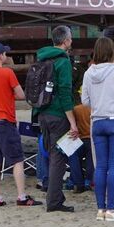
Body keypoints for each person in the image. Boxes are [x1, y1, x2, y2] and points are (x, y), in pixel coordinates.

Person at [0, 42, 42, 207]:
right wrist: (9, 95)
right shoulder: (7, 72)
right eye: (5, 53)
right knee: (17, 159)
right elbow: (21, 94)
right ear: (0, 56)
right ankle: (21, 196)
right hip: (5, 119)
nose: (7, 56)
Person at [82, 37, 114, 222]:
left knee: (100, 166)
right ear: (112, 52)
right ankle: (111, 208)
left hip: (98, 121)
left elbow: (85, 101)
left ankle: (100, 209)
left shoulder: (88, 73)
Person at [36, 25, 79, 213]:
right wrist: (72, 121)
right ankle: (53, 201)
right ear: (66, 41)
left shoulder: (43, 57)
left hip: (42, 112)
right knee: (58, 157)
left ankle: (55, 196)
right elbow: (64, 93)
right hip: (57, 114)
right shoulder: (63, 62)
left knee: (51, 153)